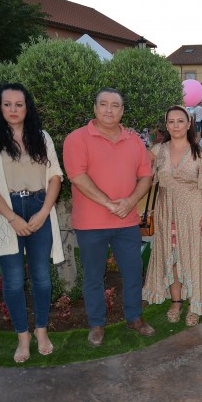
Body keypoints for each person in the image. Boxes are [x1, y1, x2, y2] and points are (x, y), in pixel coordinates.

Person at [0, 83, 64, 362]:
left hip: (39, 207)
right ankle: (22, 337)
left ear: (27, 107)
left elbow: (55, 177)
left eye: (19, 104)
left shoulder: (42, 137)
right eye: (7, 104)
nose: (13, 109)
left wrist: (43, 211)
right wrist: (12, 218)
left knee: (41, 278)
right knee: (12, 281)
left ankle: (41, 331)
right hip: (5, 211)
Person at [64, 88, 155, 346]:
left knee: (134, 271)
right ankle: (96, 323)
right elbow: (77, 176)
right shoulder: (77, 139)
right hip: (91, 224)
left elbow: (146, 176)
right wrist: (109, 203)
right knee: (94, 275)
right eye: (103, 104)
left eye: (115, 105)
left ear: (122, 110)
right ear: (94, 108)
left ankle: (134, 318)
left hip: (126, 221)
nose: (109, 110)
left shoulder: (134, 141)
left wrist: (129, 202)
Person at [142, 105, 202, 326]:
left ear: (188, 124)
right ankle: (176, 301)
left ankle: (195, 305)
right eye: (171, 121)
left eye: (180, 121)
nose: (175, 125)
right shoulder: (158, 151)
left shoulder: (199, 152)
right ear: (166, 125)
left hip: (193, 212)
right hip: (166, 211)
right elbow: (136, 165)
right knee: (171, 256)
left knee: (193, 258)